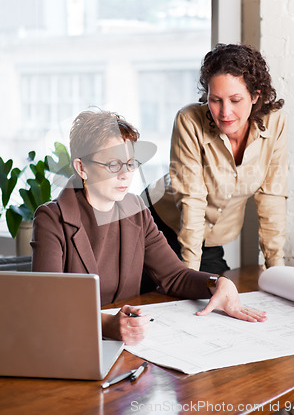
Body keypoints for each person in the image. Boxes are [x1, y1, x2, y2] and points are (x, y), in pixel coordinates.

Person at [31, 109, 266, 345]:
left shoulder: (136, 209)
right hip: (72, 343)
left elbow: (175, 276)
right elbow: (48, 304)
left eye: (130, 163)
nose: (125, 174)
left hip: (131, 343)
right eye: (113, 164)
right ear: (82, 168)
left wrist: (216, 283)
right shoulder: (51, 219)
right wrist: (105, 325)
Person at [144, 43, 287, 273]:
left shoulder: (275, 124)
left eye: (235, 100)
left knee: (221, 293)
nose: (224, 112)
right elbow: (192, 199)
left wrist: (277, 272)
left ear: (254, 95)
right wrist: (188, 277)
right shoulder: (189, 120)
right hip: (158, 225)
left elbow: (272, 197)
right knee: (163, 299)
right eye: (215, 100)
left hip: (208, 240)